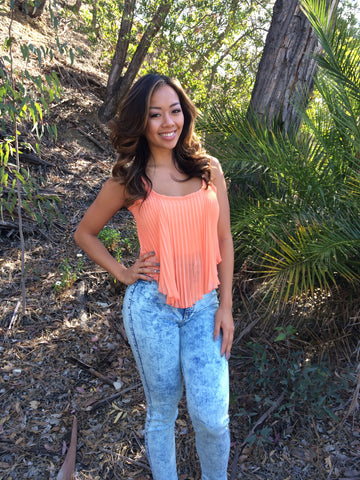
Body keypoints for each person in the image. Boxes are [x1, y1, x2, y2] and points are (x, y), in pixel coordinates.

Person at [74, 73, 234, 480]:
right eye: (155, 114)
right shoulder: (130, 177)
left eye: (175, 111)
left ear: (186, 114)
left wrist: (227, 307)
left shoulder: (208, 169)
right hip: (152, 309)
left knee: (212, 417)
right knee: (162, 411)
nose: (168, 123)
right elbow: (85, 233)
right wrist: (124, 272)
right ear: (141, 122)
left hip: (204, 308)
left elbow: (225, 239)